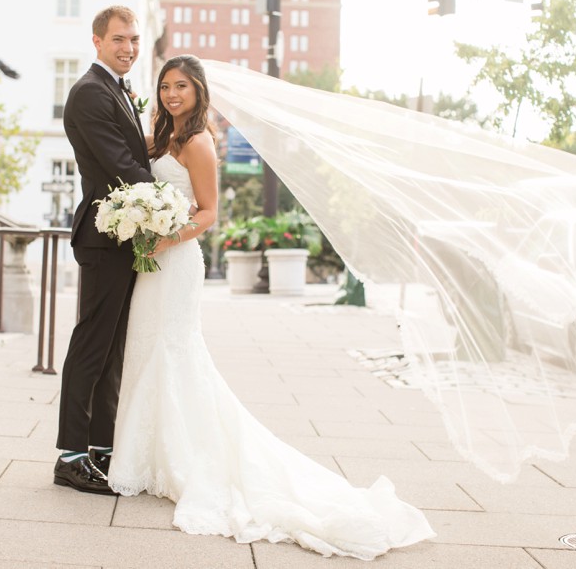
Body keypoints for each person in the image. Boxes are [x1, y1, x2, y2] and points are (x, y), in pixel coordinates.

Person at [106, 55, 435, 560]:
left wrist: (166, 239)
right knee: (146, 347)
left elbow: (210, 212)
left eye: (182, 87)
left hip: (175, 261)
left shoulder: (198, 141)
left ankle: (183, 459)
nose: (172, 95)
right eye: (166, 86)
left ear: (198, 92)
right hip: (150, 262)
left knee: (174, 351)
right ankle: (145, 455)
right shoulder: (158, 139)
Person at [54, 6, 153, 495]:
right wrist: (171, 201)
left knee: (112, 348)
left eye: (134, 39)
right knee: (92, 344)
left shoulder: (116, 88)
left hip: (123, 235)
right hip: (104, 235)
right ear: (96, 41)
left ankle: (100, 448)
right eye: (118, 40)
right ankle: (71, 457)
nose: (128, 48)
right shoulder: (91, 93)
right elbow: (120, 165)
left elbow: (131, 152)